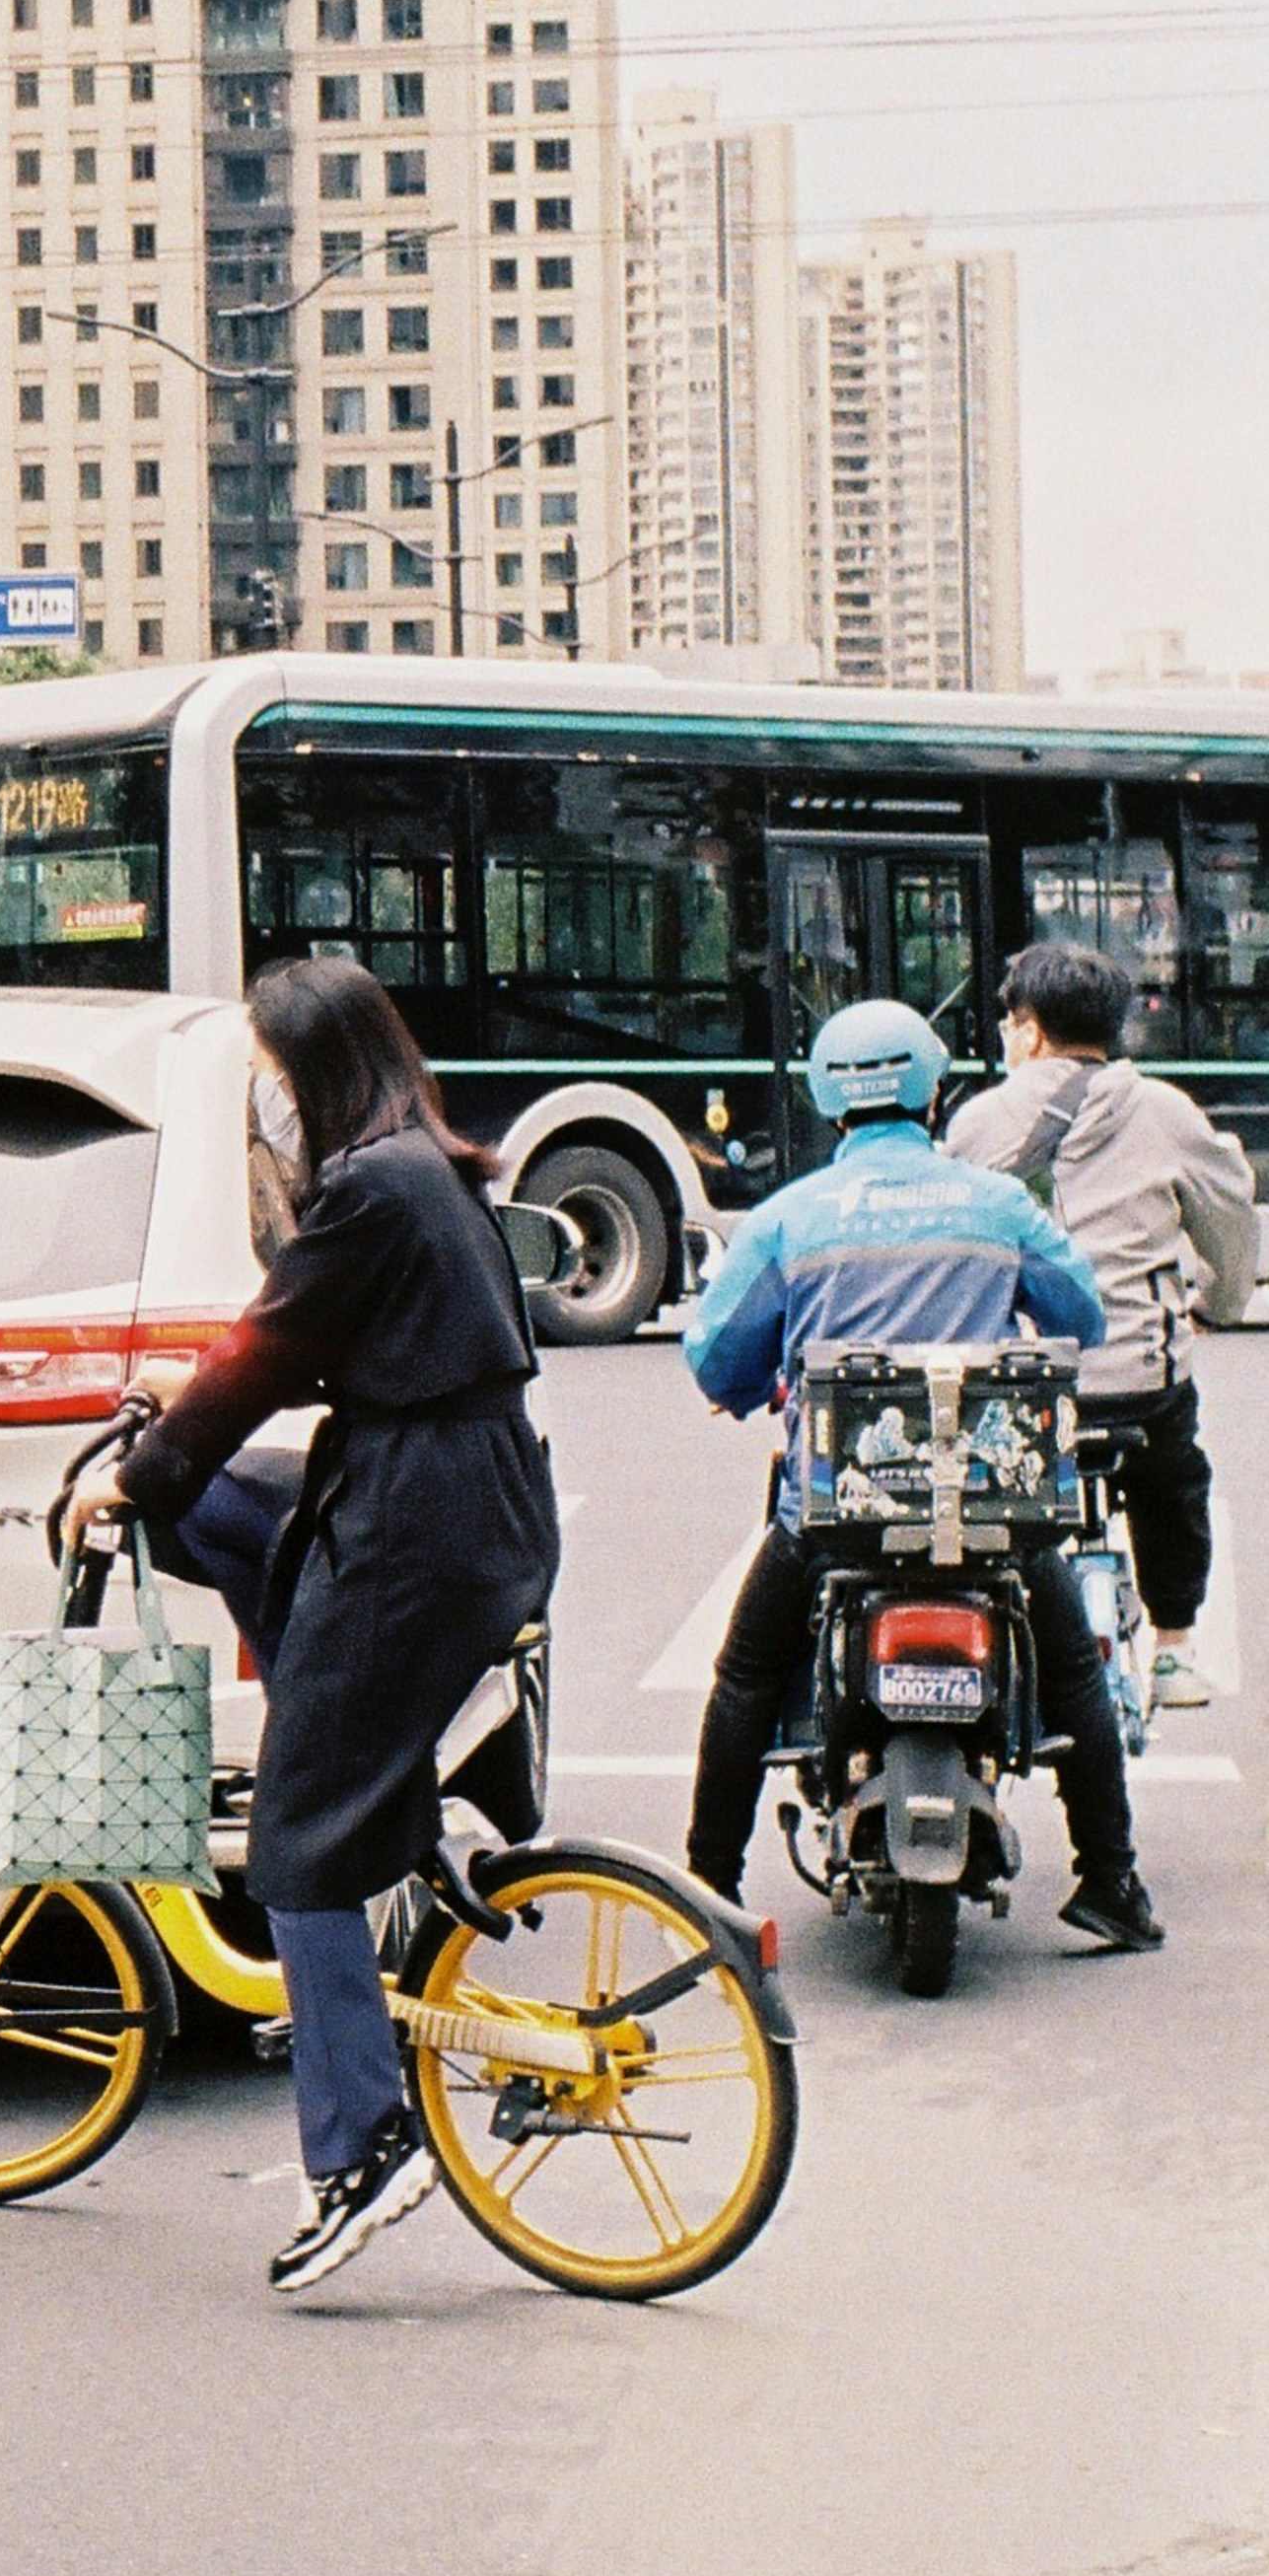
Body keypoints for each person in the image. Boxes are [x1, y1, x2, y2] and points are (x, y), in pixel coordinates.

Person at [66, 956, 561, 2298]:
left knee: (294, 1840)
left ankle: (362, 2148)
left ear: (314, 1077)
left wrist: (132, 1465)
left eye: (271, 1083)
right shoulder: (428, 1173)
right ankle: (373, 1777)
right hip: (465, 1497)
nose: (265, 1108)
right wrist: (184, 1430)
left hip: (416, 1522)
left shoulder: (365, 1190)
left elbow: (268, 1358)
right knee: (218, 1510)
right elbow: (288, 1344)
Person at [679, 994, 1159, 1953]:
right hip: (993, 1515)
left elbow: (714, 1358)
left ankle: (703, 1894)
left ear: (825, 1094)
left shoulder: (787, 1217)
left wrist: (753, 1382)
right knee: (1073, 1676)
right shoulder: (996, 1204)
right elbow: (1081, 1316)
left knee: (742, 1674)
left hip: (833, 1517)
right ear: (933, 1086)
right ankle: (1108, 1879)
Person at [945, 938, 1254, 1712]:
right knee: (1173, 1478)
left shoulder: (977, 1123)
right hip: (1135, 1385)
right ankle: (1175, 1650)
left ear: (1030, 1031)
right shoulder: (1165, 1112)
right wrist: (1213, 1303)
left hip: (1021, 1388)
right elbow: (1229, 1220)